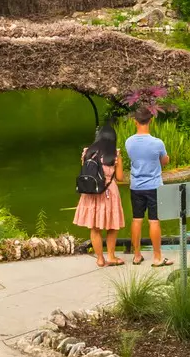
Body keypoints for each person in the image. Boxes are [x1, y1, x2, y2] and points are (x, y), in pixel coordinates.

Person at [72, 124, 125, 267]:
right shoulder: (115, 154)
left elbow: (86, 170)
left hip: (91, 192)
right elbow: (120, 177)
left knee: (95, 228)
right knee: (112, 227)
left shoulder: (87, 152)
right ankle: (112, 256)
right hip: (108, 192)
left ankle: (100, 259)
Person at [124, 113, 171, 267]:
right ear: (150, 120)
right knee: (154, 221)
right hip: (154, 186)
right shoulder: (157, 143)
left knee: (137, 219)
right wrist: (165, 158)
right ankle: (157, 257)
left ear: (135, 121)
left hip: (136, 186)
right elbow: (164, 161)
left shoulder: (129, 142)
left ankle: (137, 255)